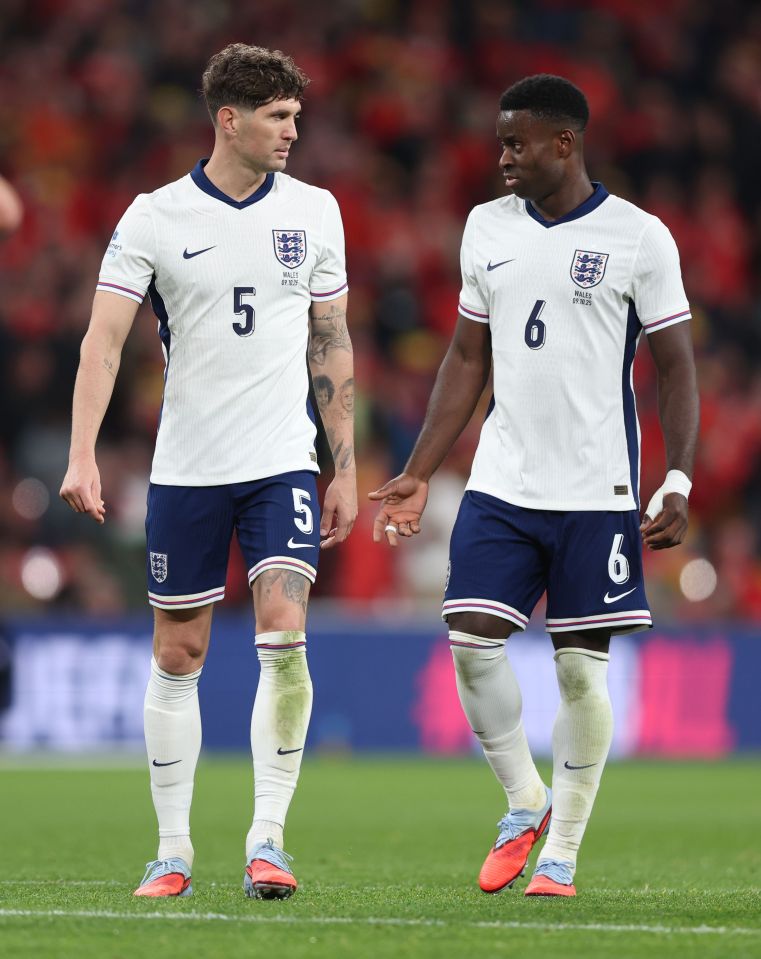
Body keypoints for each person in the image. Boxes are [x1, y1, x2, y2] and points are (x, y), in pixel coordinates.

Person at [370, 74, 698, 898]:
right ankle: (524, 801)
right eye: (500, 142)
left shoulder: (638, 237)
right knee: (471, 636)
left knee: (580, 674)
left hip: (595, 491)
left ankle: (564, 852)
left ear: (565, 143)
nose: (502, 157)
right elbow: (466, 360)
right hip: (503, 482)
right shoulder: (486, 228)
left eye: (517, 143)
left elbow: (676, 369)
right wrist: (418, 470)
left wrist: (678, 476)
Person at [60, 43, 356, 900]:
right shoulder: (154, 216)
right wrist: (83, 450)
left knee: (283, 634)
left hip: (280, 464)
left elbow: (328, 341)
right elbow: (103, 341)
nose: (293, 131)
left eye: (296, 115)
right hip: (187, 466)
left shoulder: (318, 212)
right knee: (179, 649)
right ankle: (173, 848)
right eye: (277, 116)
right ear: (228, 119)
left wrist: (341, 466)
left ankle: (268, 838)